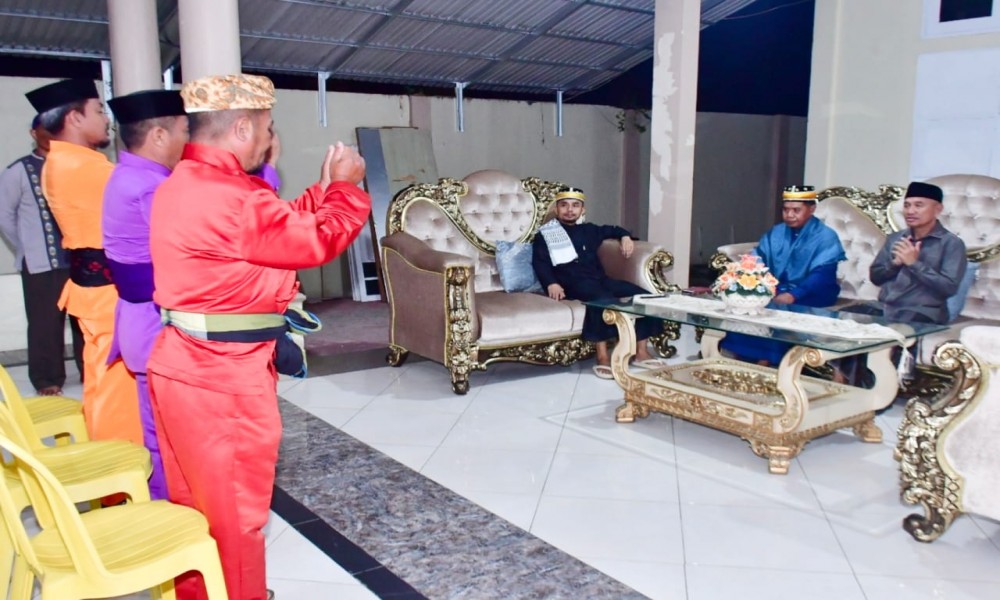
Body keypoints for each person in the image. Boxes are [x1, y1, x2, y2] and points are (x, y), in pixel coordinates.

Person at [146, 73, 371, 600]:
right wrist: (344, 189)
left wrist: (322, 190)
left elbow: (276, 227)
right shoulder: (230, 196)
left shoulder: (187, 182)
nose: (271, 141)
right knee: (235, 518)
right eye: (268, 129)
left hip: (184, 364)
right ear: (243, 127)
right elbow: (315, 240)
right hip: (222, 377)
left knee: (197, 509)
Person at [27, 78, 142, 445]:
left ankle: (111, 452)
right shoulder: (83, 168)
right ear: (74, 118)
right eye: (98, 110)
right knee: (116, 386)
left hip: (94, 288)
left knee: (102, 378)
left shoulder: (63, 161)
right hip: (108, 292)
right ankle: (119, 461)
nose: (106, 119)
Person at [101, 89, 190, 501]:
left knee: (157, 429)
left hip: (138, 322)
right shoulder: (152, 186)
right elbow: (194, 248)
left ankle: (162, 502)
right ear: (158, 135)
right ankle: (175, 509)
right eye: (184, 131)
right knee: (173, 434)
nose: (188, 141)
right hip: (158, 325)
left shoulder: (124, 175)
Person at [531, 188, 661, 378]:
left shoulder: (590, 230)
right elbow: (540, 262)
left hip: (600, 280)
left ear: (582, 210)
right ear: (556, 209)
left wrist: (625, 237)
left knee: (645, 297)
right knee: (601, 300)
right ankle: (602, 356)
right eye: (564, 205)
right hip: (572, 283)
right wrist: (551, 283)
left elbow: (615, 229)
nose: (569, 210)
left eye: (575, 205)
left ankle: (641, 352)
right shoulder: (545, 234)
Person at [0, 116, 83, 396]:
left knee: (84, 319)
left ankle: (91, 369)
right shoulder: (18, 171)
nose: (50, 134)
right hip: (40, 263)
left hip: (79, 258)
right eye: (44, 130)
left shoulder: (74, 164)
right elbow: (4, 215)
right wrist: (26, 246)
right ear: (33, 133)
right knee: (44, 324)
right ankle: (47, 378)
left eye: (54, 129)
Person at [720, 185, 846, 365]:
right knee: (746, 311)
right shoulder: (776, 232)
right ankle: (739, 364)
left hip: (812, 294)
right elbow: (758, 258)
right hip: (777, 289)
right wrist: (748, 281)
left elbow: (822, 275)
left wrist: (794, 295)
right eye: (786, 210)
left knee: (779, 319)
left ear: (812, 209)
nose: (790, 215)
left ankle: (765, 365)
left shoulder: (826, 236)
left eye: (796, 210)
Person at [870, 181, 966, 324]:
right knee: (845, 322)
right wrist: (894, 264)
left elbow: (949, 288)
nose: (910, 211)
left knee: (896, 331)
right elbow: (875, 278)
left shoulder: (951, 243)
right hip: (884, 308)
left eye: (918, 205)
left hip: (923, 312)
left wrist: (914, 264)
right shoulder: (895, 238)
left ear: (938, 209)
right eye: (907, 205)